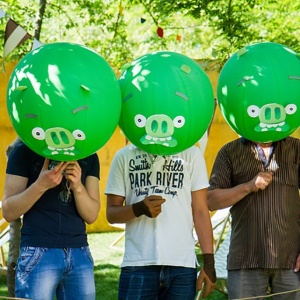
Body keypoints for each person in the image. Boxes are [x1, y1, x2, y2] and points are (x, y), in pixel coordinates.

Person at [105, 143, 216, 300]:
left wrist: (209, 262)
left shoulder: (191, 153)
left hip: (181, 264)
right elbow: (111, 213)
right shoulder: (125, 155)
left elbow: (200, 211)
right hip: (138, 263)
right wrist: (139, 208)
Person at [1, 139, 100, 300]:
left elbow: (91, 215)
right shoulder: (24, 150)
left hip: (79, 252)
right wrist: (41, 184)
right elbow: (8, 211)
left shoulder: (88, 153)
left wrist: (77, 186)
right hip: (38, 250)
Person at [207, 136, 300, 299]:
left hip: (291, 260)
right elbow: (210, 201)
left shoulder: (296, 147)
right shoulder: (229, 151)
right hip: (245, 257)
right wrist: (248, 186)